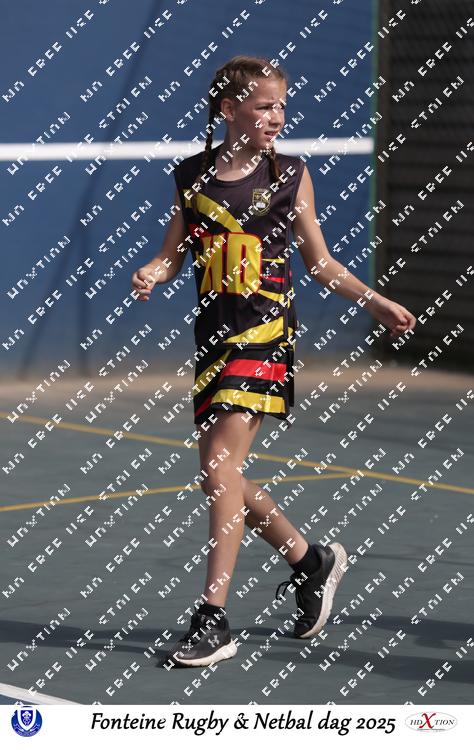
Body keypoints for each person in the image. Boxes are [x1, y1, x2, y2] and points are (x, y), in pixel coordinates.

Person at [131, 55, 416, 668]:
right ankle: (312, 561)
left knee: (221, 472)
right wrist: (153, 271)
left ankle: (213, 619)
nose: (276, 117)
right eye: (264, 106)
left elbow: (320, 263)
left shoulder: (290, 175)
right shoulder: (192, 177)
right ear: (228, 109)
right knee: (220, 478)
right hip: (215, 342)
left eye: (281, 106)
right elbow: (174, 253)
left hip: (266, 337)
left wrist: (375, 301)